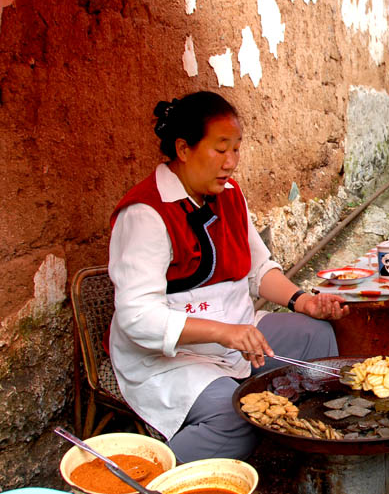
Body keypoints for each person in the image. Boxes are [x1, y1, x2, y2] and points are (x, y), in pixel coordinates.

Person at [108, 90, 350, 462]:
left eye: (236, 149)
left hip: (237, 331)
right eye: (221, 149)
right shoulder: (146, 214)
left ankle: (300, 445)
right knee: (235, 412)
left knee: (315, 337)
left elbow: (258, 268)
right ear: (184, 148)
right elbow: (137, 317)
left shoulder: (230, 195)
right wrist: (224, 333)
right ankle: (153, 480)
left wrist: (304, 301)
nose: (231, 162)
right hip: (172, 356)